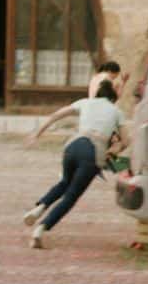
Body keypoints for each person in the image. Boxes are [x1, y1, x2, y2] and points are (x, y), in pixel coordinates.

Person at [22, 80, 125, 248]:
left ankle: (39, 208)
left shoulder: (85, 102)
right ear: (113, 99)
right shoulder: (117, 111)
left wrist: (37, 133)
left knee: (64, 182)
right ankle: (40, 230)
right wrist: (113, 151)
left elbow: (56, 115)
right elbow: (126, 141)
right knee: (71, 196)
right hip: (92, 152)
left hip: (73, 146)